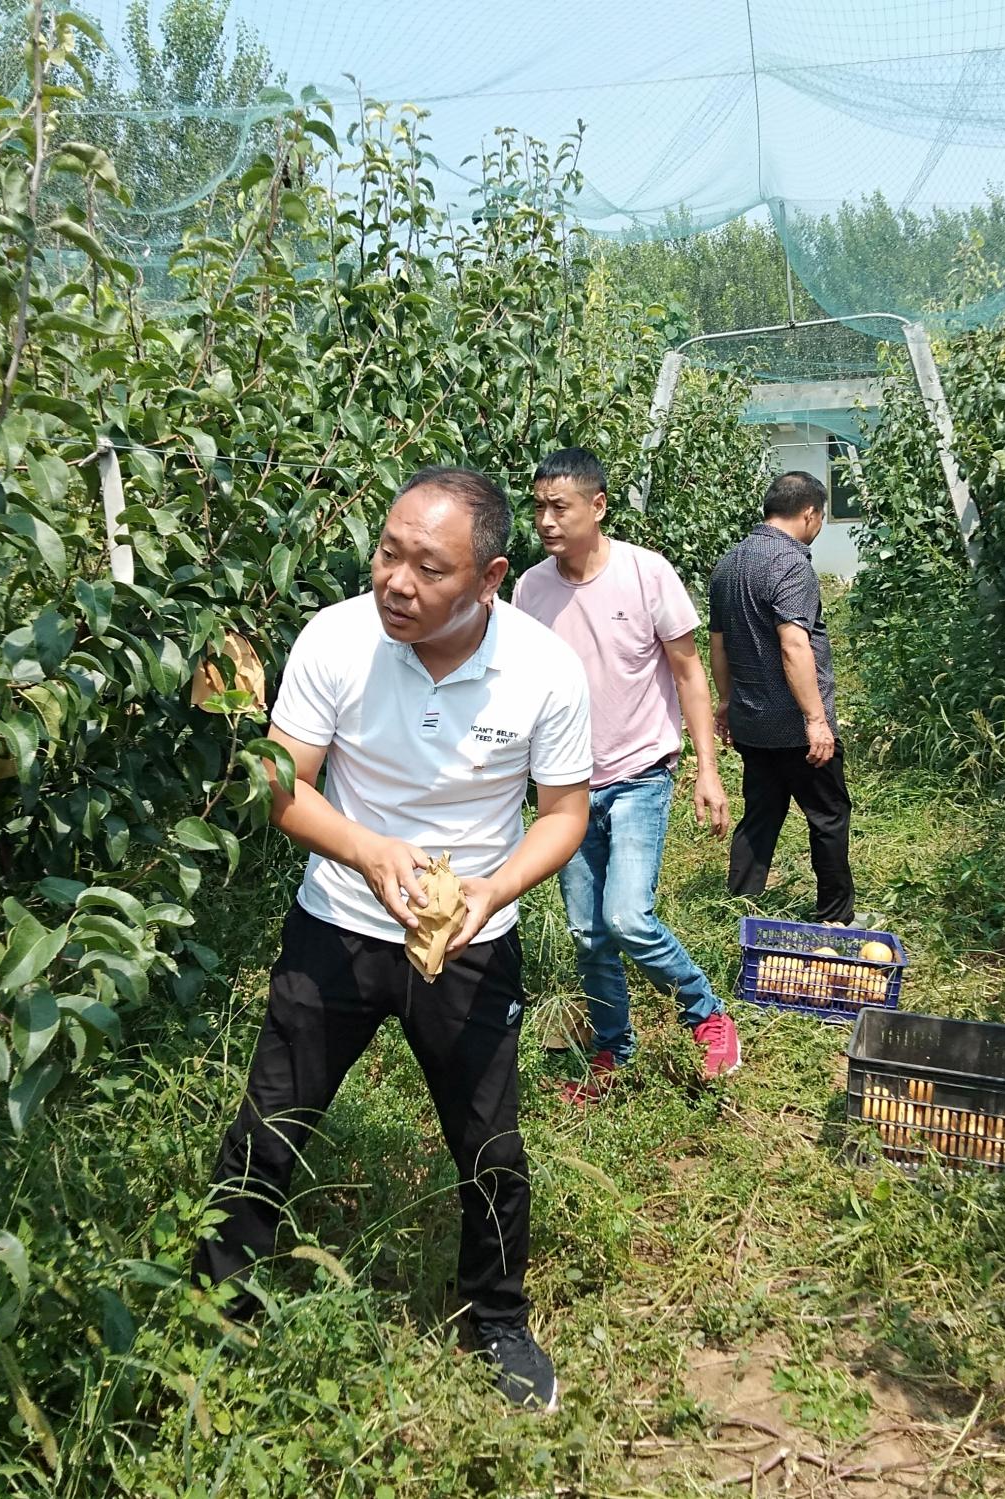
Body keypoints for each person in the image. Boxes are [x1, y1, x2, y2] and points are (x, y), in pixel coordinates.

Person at [195, 466, 592, 1412]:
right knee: (269, 1125)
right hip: (337, 922)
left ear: (490, 575)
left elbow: (564, 814)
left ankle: (498, 1321)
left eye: (429, 567)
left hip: (471, 938)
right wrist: (367, 850)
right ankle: (216, 1308)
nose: (396, 583)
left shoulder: (543, 668)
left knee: (488, 1144)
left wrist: (489, 890)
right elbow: (279, 784)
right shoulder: (337, 638)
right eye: (386, 553)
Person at [513, 447, 740, 1102]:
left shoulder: (646, 575)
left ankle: (708, 1014)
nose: (547, 520)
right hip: (566, 786)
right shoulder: (529, 590)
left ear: (597, 505)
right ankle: (613, 1046)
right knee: (587, 931)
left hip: (640, 772)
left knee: (627, 917)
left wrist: (707, 769)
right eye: (538, 507)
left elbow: (689, 673)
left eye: (559, 506)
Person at [708, 471, 855, 925]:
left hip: (752, 721)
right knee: (828, 815)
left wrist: (727, 702)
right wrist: (815, 719)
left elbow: (718, 644)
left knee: (761, 812)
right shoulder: (791, 565)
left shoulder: (730, 563)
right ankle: (835, 914)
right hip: (794, 725)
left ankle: (739, 904)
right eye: (822, 516)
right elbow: (794, 644)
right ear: (810, 513)